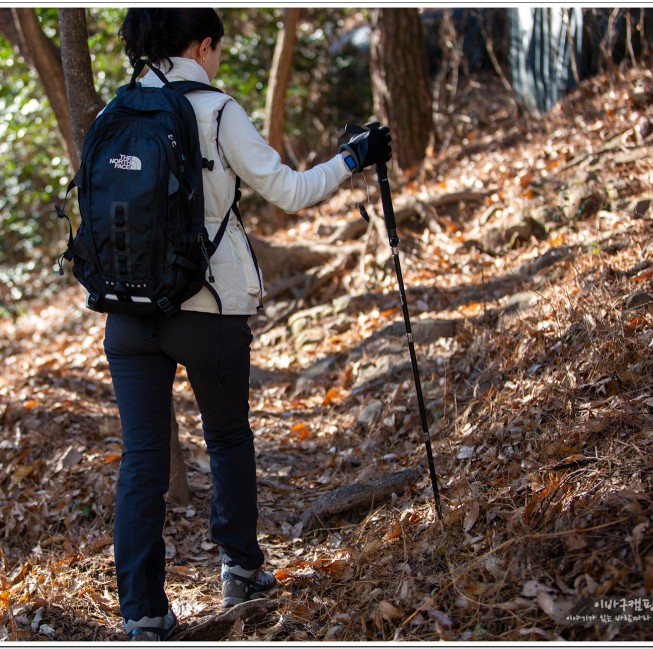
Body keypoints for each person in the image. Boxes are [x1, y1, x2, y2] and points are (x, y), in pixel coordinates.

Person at [105, 8, 392, 641]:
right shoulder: (215, 109)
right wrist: (354, 156)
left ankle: (143, 617)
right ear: (202, 45)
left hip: (125, 313)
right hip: (206, 307)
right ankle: (240, 569)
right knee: (228, 438)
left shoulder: (115, 113)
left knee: (143, 463)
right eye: (217, 51)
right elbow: (288, 191)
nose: (218, 63)